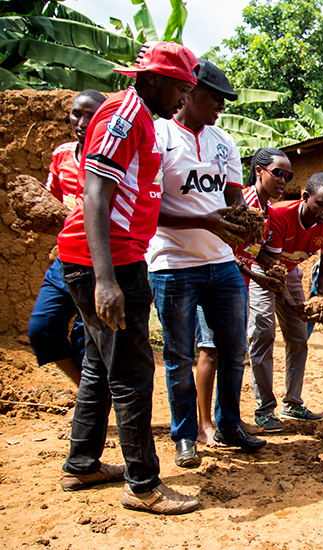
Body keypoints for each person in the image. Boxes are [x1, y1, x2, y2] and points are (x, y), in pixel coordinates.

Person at [56, 41, 201, 514]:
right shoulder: (123, 115)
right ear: (154, 79)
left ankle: (83, 463)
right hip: (107, 262)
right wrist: (105, 280)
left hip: (115, 258)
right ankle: (143, 484)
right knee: (133, 373)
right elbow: (95, 193)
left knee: (100, 367)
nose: (184, 98)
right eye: (180, 88)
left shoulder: (138, 115)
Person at [147, 59, 265, 468]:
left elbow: (233, 197)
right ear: (191, 90)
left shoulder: (223, 141)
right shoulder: (159, 135)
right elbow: (149, 207)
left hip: (222, 263)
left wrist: (244, 221)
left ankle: (230, 424)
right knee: (179, 355)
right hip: (173, 263)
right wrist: (205, 221)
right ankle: (185, 435)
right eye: (215, 97)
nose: (220, 106)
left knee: (234, 349)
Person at [251, 173, 323, 423]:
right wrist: (292, 305)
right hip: (263, 270)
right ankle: (264, 410)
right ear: (305, 198)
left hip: (290, 272)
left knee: (298, 338)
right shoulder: (280, 216)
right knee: (263, 333)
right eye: (321, 204)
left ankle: (292, 403)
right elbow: (268, 263)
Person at [28, 89, 105, 386]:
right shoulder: (61, 155)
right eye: (77, 114)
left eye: (92, 115)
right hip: (66, 260)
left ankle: (95, 403)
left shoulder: (114, 159)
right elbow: (55, 205)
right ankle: (84, 390)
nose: (83, 121)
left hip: (104, 263)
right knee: (42, 328)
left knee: (89, 340)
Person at [236, 148, 294, 433]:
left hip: (241, 283)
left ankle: (230, 419)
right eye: (278, 173)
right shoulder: (245, 202)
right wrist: (260, 279)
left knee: (234, 352)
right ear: (259, 171)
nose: (284, 180)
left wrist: (274, 266)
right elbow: (229, 255)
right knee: (224, 352)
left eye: (289, 175)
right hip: (228, 282)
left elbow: (253, 251)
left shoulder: (267, 210)